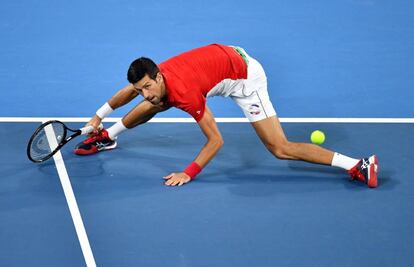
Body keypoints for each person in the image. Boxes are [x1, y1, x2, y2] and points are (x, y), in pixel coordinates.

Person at [74, 44, 378, 188]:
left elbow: (216, 140)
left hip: (245, 78)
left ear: (158, 76)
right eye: (141, 88)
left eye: (147, 86)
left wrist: (188, 173)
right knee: (155, 103)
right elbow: (130, 91)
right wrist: (98, 117)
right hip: (224, 56)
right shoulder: (155, 78)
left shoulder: (185, 93)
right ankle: (108, 137)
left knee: (279, 148)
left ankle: (358, 165)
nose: (144, 93)